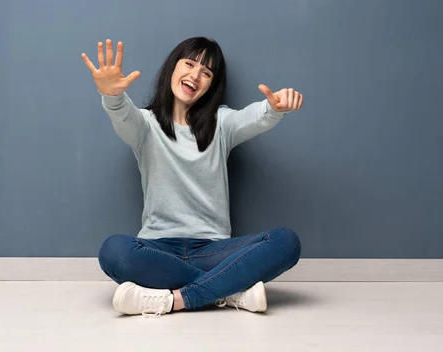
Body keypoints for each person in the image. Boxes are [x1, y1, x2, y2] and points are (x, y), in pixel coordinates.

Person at [81, 37, 304, 317]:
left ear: (212, 84)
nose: (195, 75)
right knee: (114, 250)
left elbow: (255, 116)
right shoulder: (144, 125)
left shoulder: (222, 124)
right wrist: (112, 96)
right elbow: (122, 115)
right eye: (189, 64)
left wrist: (275, 108)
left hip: (214, 251)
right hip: (157, 250)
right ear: (172, 67)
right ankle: (229, 290)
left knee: (286, 241)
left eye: (206, 72)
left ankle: (175, 300)